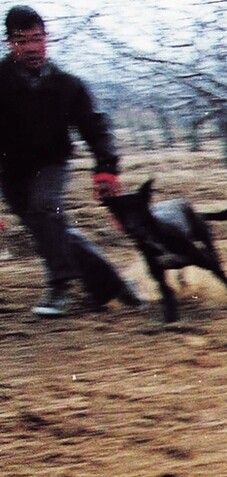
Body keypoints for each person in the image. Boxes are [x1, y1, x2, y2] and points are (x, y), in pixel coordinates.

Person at [0, 5, 140, 316]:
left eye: (38, 39)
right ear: (10, 43)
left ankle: (60, 285)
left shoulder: (67, 85)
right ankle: (114, 284)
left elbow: (95, 128)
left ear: (46, 39)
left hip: (52, 163)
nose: (33, 48)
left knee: (45, 209)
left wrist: (106, 169)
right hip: (11, 172)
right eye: (23, 41)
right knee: (49, 228)